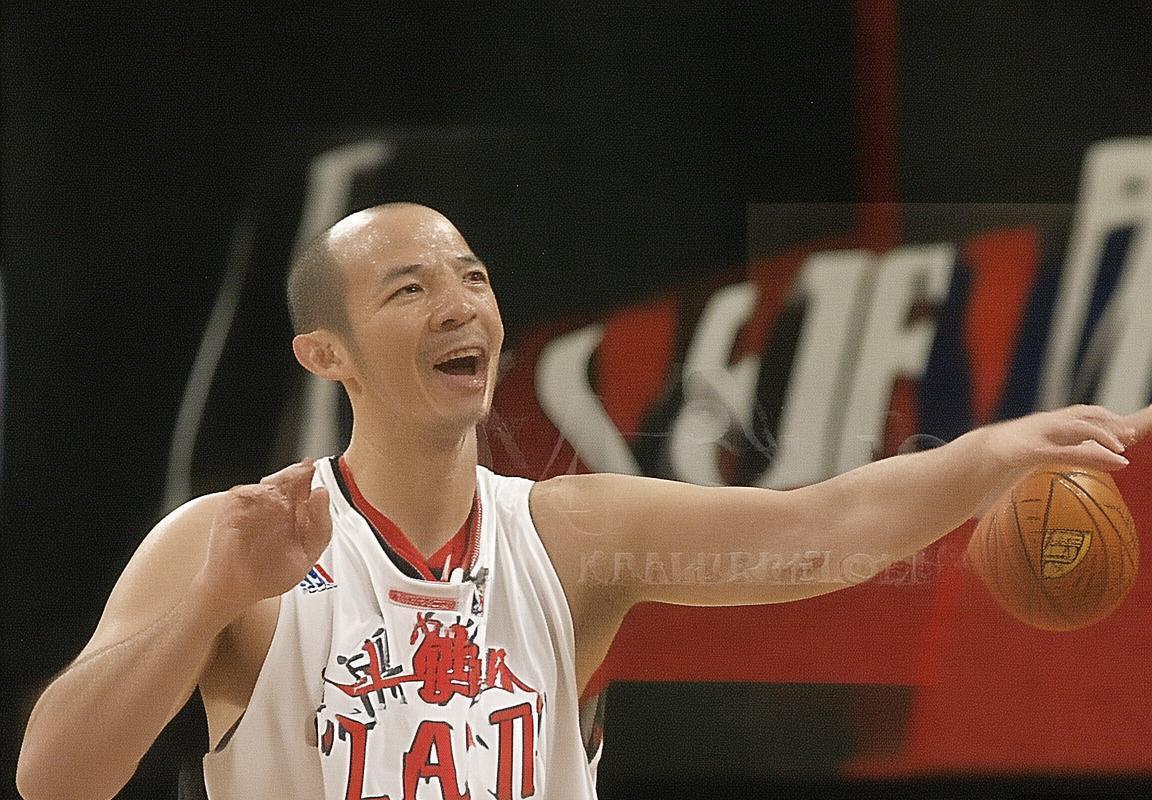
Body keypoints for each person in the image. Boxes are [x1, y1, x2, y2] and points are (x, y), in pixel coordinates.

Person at [17, 203, 1152, 800]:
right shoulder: (235, 540)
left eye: (473, 277)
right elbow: (54, 778)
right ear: (328, 353)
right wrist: (209, 598)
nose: (460, 304)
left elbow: (824, 531)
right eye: (410, 288)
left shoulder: (570, 536)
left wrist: (990, 451)